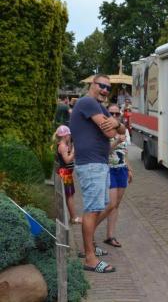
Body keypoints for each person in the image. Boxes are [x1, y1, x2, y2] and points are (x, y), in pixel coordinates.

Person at [70, 74, 126, 273]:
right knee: (92, 209)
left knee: (107, 205)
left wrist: (118, 125)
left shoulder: (99, 106)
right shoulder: (87, 102)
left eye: (108, 88)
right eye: (101, 85)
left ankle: (89, 246)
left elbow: (122, 130)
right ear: (92, 85)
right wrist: (116, 126)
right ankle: (90, 258)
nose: (104, 90)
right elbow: (112, 133)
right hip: (91, 164)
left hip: (100, 163)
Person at [103, 104, 132, 248]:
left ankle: (110, 235)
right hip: (109, 170)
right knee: (111, 204)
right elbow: (104, 152)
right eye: (111, 113)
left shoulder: (124, 131)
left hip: (121, 170)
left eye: (116, 113)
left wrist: (129, 169)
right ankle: (92, 230)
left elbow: (125, 152)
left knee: (116, 205)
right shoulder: (104, 130)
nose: (114, 116)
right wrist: (116, 141)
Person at [53, 125, 81, 225]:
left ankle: (73, 217)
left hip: (66, 173)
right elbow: (67, 160)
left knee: (70, 195)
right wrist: (74, 152)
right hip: (65, 174)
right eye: (69, 135)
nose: (70, 137)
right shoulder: (63, 146)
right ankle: (74, 217)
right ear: (65, 136)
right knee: (69, 196)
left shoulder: (62, 144)